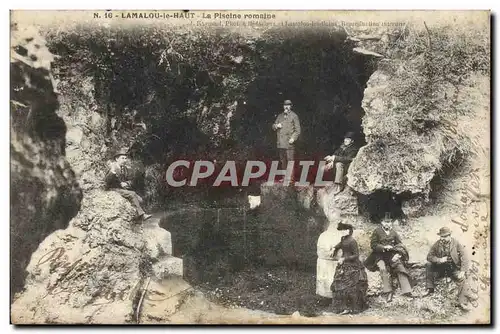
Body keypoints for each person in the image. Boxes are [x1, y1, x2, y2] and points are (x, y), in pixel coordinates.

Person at [364, 216, 414, 302]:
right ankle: (388, 292)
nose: (387, 224)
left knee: (400, 267)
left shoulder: (394, 233)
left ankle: (407, 291)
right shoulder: (377, 231)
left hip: (391, 255)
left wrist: (398, 255)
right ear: (382, 222)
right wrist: (383, 247)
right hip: (379, 255)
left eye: (389, 222)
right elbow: (373, 245)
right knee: (383, 268)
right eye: (385, 222)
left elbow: (400, 245)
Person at [424, 227, 470, 311]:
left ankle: (462, 302)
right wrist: (439, 260)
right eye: (441, 237)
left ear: (449, 235)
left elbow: (465, 257)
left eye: (444, 236)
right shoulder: (437, 244)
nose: (442, 239)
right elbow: (429, 256)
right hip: (441, 269)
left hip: (453, 269)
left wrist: (463, 270)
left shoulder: (456, 243)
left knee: (462, 278)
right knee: (428, 264)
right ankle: (430, 288)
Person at [330, 222, 368, 315]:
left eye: (343, 230)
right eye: (341, 231)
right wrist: (334, 248)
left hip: (352, 265)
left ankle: (352, 308)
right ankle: (343, 308)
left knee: (351, 286)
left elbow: (356, 255)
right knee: (340, 285)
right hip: (343, 264)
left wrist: (344, 258)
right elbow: (340, 244)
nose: (341, 232)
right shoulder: (343, 238)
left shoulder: (352, 241)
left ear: (348, 230)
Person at [105, 148, 152, 221]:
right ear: (117, 159)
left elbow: (131, 180)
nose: (124, 160)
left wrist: (126, 183)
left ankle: (136, 216)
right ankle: (142, 215)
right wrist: (112, 173)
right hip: (113, 189)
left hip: (122, 189)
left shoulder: (124, 169)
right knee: (132, 194)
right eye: (122, 158)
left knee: (140, 200)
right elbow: (106, 181)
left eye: (125, 158)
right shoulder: (113, 167)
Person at [272, 100, 301, 180]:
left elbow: (298, 130)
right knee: (283, 161)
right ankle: (284, 178)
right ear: (283, 106)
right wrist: (276, 125)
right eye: (285, 105)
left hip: (289, 143)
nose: (286, 107)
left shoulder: (294, 116)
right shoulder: (280, 116)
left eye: (288, 105)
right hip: (281, 143)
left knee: (290, 161)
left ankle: (291, 179)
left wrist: (293, 138)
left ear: (291, 106)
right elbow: (273, 126)